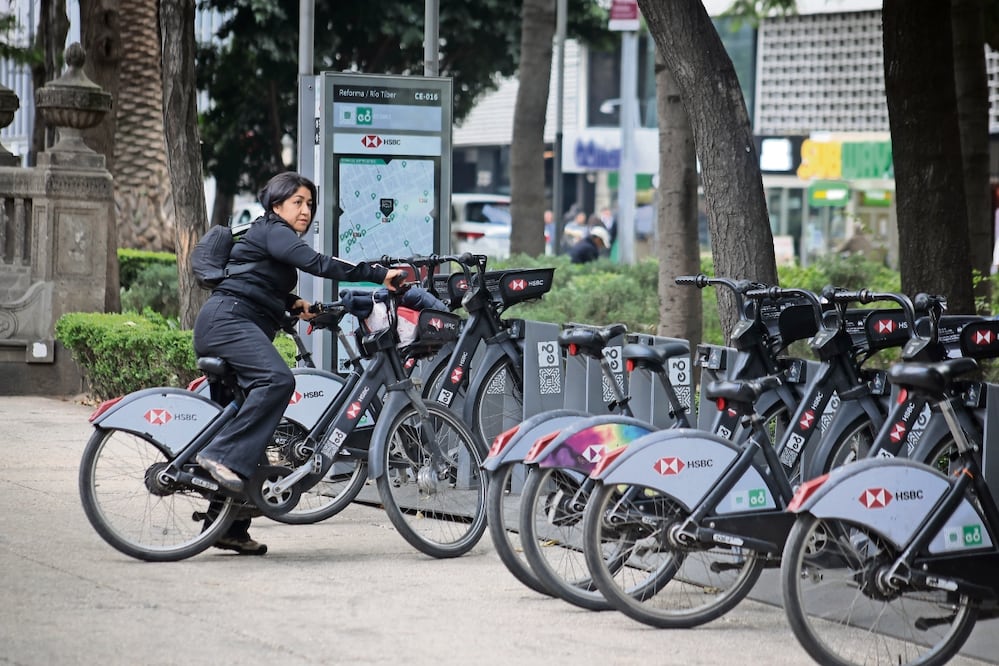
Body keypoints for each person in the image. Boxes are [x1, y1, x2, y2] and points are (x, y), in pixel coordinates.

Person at [193, 171, 403, 554]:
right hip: (230, 322)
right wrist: (377, 274)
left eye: (309, 204)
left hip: (230, 319)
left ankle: (226, 526)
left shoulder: (268, 237)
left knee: (254, 422)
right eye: (297, 202)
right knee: (278, 382)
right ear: (276, 205)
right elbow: (319, 263)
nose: (305, 210)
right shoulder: (274, 230)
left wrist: (293, 304)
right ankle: (218, 456)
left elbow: (255, 279)